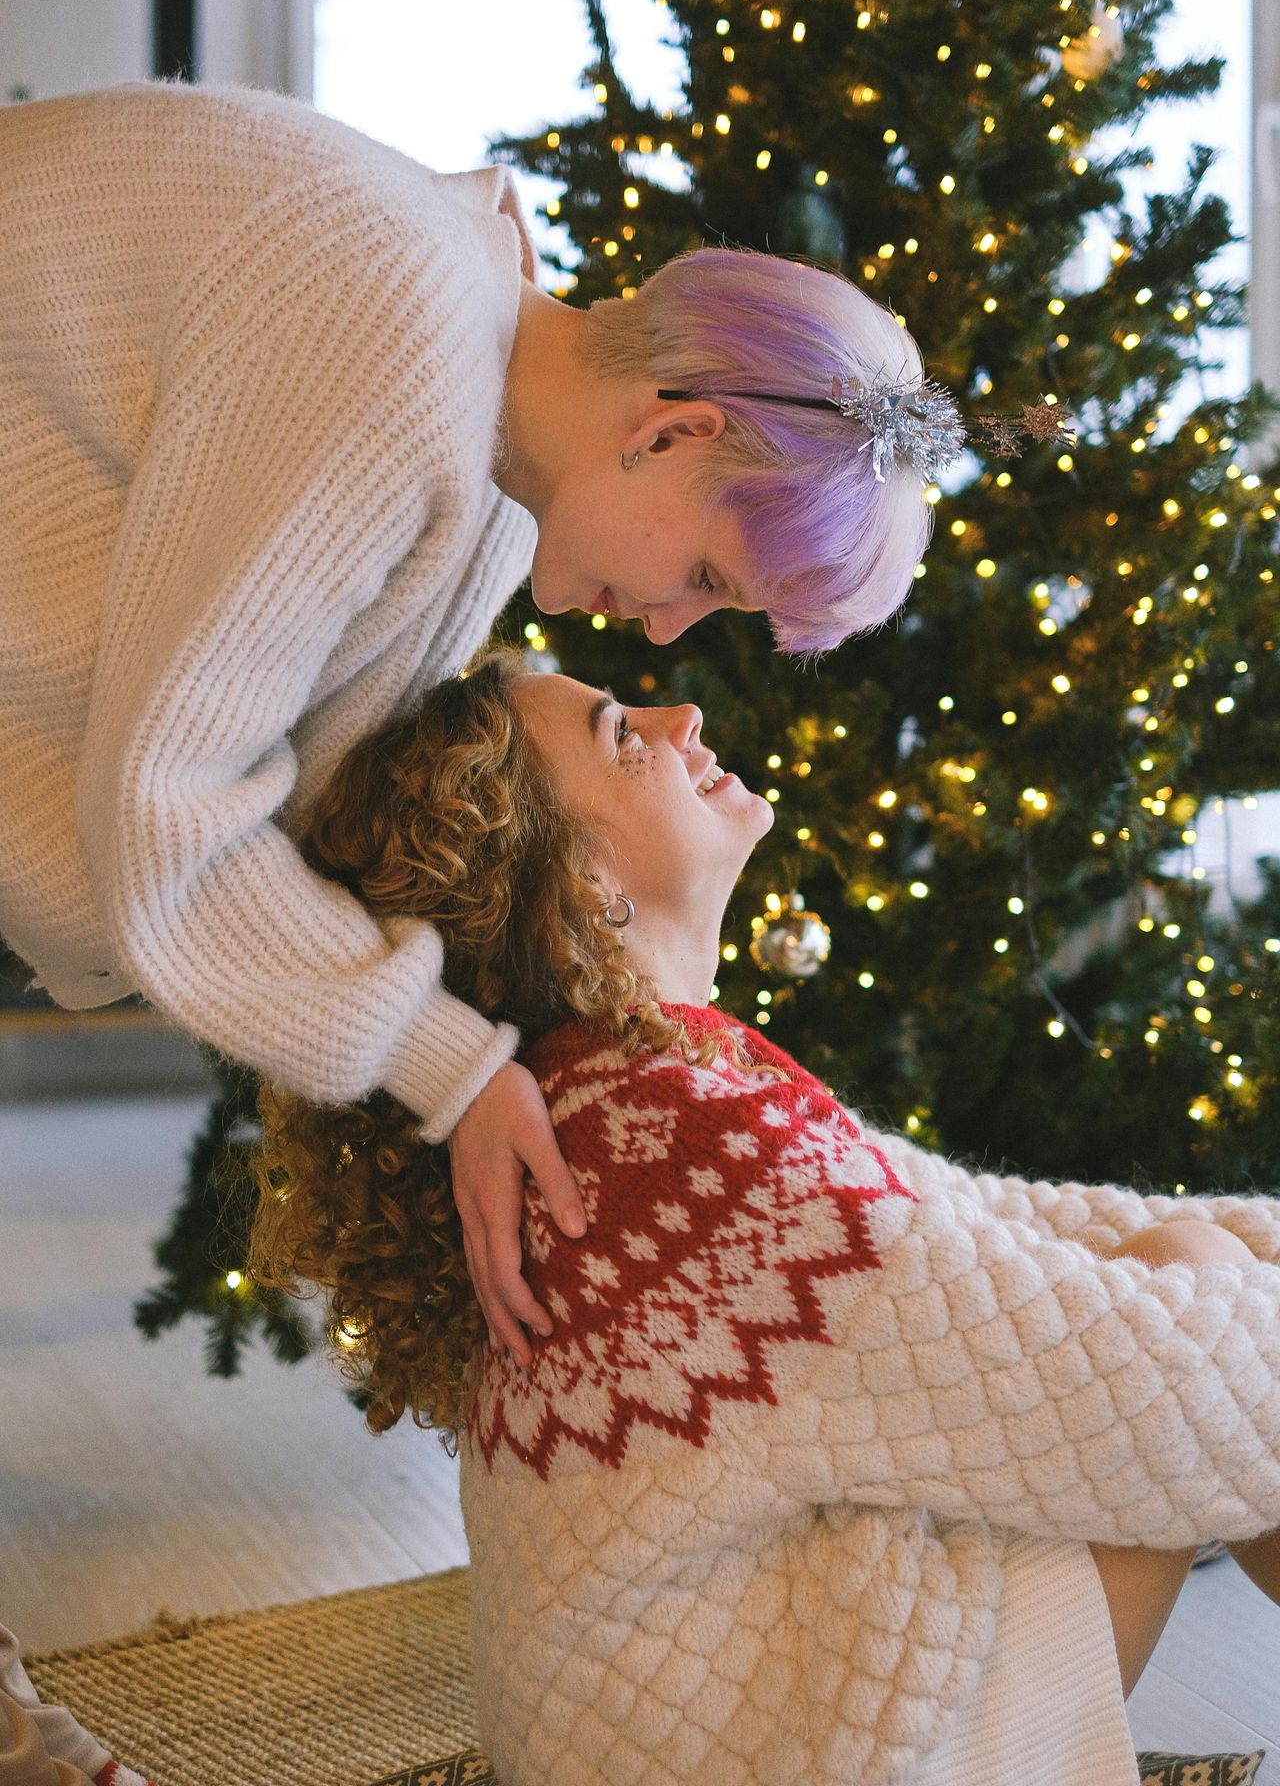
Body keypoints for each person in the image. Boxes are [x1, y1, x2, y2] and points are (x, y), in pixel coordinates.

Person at [0, 79, 940, 1362]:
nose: (667, 632)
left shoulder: (485, 450)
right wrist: (453, 1069)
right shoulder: (391, 336)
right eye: (710, 581)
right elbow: (170, 808)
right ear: (673, 431)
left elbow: (312, 792)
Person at [250, 649, 1280, 1786]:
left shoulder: (624, 1086)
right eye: (620, 737)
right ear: (586, 885)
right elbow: (1173, 1392)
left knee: (1197, 1284)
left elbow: (985, 1222)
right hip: (784, 1755)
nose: (681, 712)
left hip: (712, 1724)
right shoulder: (667, 1149)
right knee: (1196, 1355)